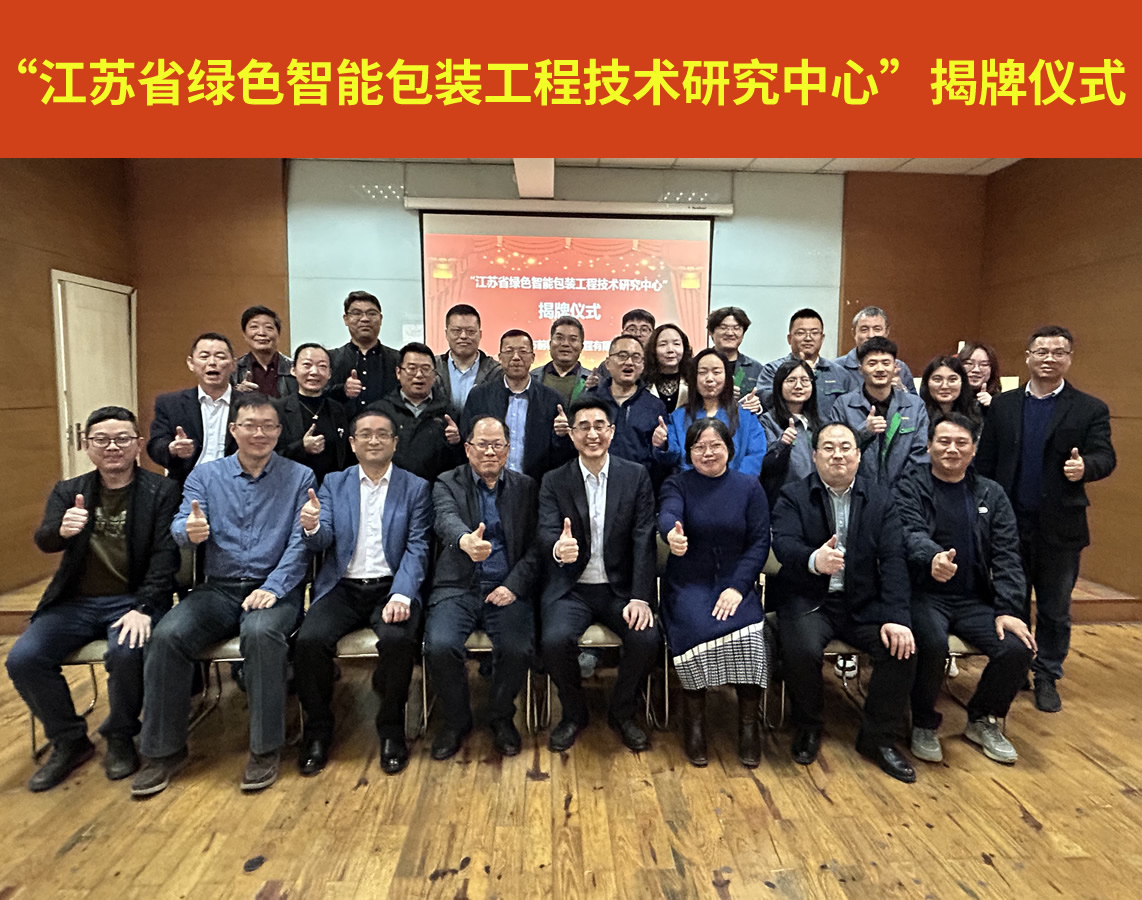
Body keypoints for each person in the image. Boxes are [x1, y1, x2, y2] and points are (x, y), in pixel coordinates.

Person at [132, 394, 314, 797]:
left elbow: (300, 543)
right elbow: (183, 522)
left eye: (268, 426)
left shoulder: (300, 476)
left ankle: (265, 749)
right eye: (249, 425)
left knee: (261, 634)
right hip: (218, 588)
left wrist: (273, 587)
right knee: (167, 636)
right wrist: (188, 531)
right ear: (234, 430)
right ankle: (163, 752)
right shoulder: (205, 476)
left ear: (279, 432)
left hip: (275, 588)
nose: (259, 433)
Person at [7, 407, 180, 792]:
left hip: (132, 599)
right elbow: (45, 540)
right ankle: (69, 740)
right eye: (102, 439)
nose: (112, 447)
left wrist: (144, 607)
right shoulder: (69, 491)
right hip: (75, 602)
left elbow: (165, 556)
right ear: (87, 446)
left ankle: (120, 734)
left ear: (138, 445)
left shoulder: (161, 491)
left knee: (126, 652)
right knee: (24, 658)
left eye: (122, 439)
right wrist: (61, 531)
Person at [976, 325, 1116, 713]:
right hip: (1009, 524)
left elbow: (1106, 457)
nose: (1049, 358)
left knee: (1055, 609)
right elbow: (986, 463)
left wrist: (1085, 467)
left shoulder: (1089, 408)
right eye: (1041, 351)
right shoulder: (1003, 406)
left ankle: (1047, 674)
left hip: (1060, 526)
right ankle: (1016, 666)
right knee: (1011, 600)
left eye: (1058, 352)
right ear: (1028, 357)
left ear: (1069, 358)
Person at [770, 422, 918, 783]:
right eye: (828, 448)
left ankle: (877, 738)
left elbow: (894, 559)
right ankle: (808, 725)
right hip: (810, 598)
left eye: (846, 447)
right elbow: (783, 544)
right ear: (815, 455)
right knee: (801, 649)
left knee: (901, 648)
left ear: (858, 455)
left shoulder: (881, 498)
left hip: (862, 602)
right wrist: (813, 560)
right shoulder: (793, 495)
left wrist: (897, 616)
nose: (838, 455)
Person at [294, 409, 433, 776]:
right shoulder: (333, 483)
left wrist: (402, 594)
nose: (374, 440)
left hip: (391, 586)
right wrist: (312, 527)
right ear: (353, 443)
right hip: (342, 586)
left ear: (395, 443)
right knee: (309, 641)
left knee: (399, 640)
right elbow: (322, 539)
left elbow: (418, 547)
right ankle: (318, 730)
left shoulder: (415, 487)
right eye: (366, 434)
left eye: (383, 434)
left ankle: (391, 729)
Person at [897, 414, 1036, 765]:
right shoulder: (909, 485)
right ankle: (923, 721)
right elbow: (909, 532)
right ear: (928, 446)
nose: (952, 449)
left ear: (974, 450)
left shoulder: (992, 493)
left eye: (961, 443)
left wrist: (1008, 609)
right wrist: (932, 557)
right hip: (924, 594)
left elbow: (1007, 555)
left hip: (975, 598)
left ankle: (983, 718)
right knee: (931, 642)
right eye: (943, 441)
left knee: (1017, 647)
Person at [538, 396, 660, 753]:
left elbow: (643, 539)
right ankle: (574, 713)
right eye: (583, 427)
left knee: (646, 638)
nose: (592, 434)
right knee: (554, 641)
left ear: (612, 431)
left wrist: (641, 597)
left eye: (599, 426)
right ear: (572, 434)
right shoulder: (554, 480)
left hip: (620, 588)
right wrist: (558, 548)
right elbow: (546, 531)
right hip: (572, 588)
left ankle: (622, 711)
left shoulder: (635, 476)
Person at [424, 416, 540, 760]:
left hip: (505, 585)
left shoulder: (526, 487)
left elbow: (537, 546)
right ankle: (456, 720)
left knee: (517, 648)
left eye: (497, 445)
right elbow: (444, 518)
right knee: (440, 646)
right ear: (467, 448)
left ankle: (501, 716)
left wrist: (514, 585)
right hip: (457, 586)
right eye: (482, 445)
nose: (490, 452)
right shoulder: (447, 482)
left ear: (508, 449)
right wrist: (464, 540)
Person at [658, 418, 770, 769]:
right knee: (694, 628)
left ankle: (748, 725)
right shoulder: (678, 483)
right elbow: (669, 513)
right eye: (699, 447)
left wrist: (737, 587)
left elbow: (759, 542)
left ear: (729, 449)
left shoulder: (749, 487)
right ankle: (694, 721)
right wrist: (671, 534)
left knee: (750, 633)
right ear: (689, 452)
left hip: (736, 582)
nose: (708, 453)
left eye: (715, 445)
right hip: (689, 582)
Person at [462, 329, 572, 482]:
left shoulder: (552, 399)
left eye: (523, 352)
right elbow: (467, 441)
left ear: (533, 358)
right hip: (488, 484)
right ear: (500, 358)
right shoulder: (480, 396)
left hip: (535, 485)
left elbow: (560, 455)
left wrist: (562, 436)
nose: (516, 357)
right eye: (509, 351)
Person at [652, 348, 767, 477]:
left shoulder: (745, 416)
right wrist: (662, 443)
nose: (709, 379)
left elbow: (756, 455)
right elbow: (671, 458)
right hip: (691, 485)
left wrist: (734, 483)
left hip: (736, 485)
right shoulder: (678, 417)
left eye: (716, 372)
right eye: (702, 372)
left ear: (727, 377)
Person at [830, 336, 929, 485]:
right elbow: (837, 450)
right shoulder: (843, 405)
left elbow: (920, 454)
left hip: (905, 492)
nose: (880, 369)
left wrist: (903, 490)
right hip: (858, 491)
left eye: (886, 363)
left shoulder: (915, 406)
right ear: (860, 369)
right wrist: (864, 432)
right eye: (872, 363)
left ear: (895, 367)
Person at [147, 332, 237, 489]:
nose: (212, 362)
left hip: (237, 486)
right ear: (191, 363)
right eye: (204, 356)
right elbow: (155, 445)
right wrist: (172, 448)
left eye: (220, 357)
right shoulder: (170, 403)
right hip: (187, 486)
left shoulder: (252, 404)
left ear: (233, 364)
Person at [367, 341, 463, 483]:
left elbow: (460, 465)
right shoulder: (379, 412)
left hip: (435, 490)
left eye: (426, 369)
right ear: (398, 372)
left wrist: (456, 443)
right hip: (388, 488)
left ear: (435, 375)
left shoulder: (450, 414)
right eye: (412, 368)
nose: (419, 375)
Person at [586, 334, 666, 477]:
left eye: (636, 357)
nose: (629, 362)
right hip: (594, 481)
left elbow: (661, 461)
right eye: (622, 356)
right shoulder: (589, 400)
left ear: (642, 365)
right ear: (608, 363)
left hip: (638, 483)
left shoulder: (655, 406)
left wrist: (662, 445)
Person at [277, 342, 349, 485]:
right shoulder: (278, 409)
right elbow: (269, 455)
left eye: (322, 366)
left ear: (329, 374)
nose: (314, 372)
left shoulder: (338, 409)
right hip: (291, 486)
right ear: (293, 370)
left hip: (332, 489)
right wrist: (301, 448)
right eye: (307, 365)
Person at [758, 308, 849, 416]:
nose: (808, 338)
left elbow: (848, 410)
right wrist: (799, 370)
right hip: (786, 426)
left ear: (822, 338)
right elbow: (766, 402)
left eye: (814, 333)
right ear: (789, 338)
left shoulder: (839, 373)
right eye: (801, 333)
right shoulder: (772, 370)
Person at [760, 358, 822, 508]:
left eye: (805, 380)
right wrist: (782, 444)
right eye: (791, 380)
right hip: (782, 500)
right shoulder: (767, 421)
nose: (798, 386)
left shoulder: (819, 422)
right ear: (779, 385)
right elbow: (765, 465)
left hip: (817, 498)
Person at [329, 290, 401, 413]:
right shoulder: (330, 359)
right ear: (346, 319)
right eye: (357, 313)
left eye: (371, 313)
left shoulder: (398, 360)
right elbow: (318, 393)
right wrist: (342, 390)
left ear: (381, 319)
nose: (365, 319)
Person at [434, 303, 501, 417]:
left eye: (470, 331)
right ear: (446, 334)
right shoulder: (432, 368)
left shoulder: (497, 372)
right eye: (456, 331)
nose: (463, 336)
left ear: (480, 334)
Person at [834, 306, 917, 394]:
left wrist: (901, 390)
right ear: (854, 333)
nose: (871, 335)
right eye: (864, 330)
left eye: (877, 329)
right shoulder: (837, 368)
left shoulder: (900, 368)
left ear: (887, 332)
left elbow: (916, 401)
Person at [707, 306, 763, 413]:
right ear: (711, 332)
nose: (730, 333)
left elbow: (766, 403)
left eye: (736, 328)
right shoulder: (697, 365)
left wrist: (757, 407)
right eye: (723, 327)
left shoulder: (756, 368)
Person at [233, 305, 296, 398]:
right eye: (254, 327)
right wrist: (237, 394)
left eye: (268, 327)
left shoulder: (294, 369)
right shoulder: (234, 370)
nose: (261, 333)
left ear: (278, 334)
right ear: (244, 334)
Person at [586, 309, 657, 389]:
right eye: (632, 329)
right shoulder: (610, 365)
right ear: (623, 334)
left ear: (653, 335)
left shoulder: (659, 364)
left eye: (644, 330)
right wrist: (592, 388)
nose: (637, 334)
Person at [531, 315, 592, 405]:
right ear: (550, 344)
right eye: (559, 338)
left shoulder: (593, 381)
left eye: (573, 339)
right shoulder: (532, 378)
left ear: (581, 347)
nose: (565, 344)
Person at [643, 323, 692, 414]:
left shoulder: (693, 380)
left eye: (676, 344)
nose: (670, 350)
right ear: (653, 349)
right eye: (663, 344)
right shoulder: (643, 382)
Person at [919, 355, 978, 423]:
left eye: (952, 380)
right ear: (927, 383)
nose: (944, 386)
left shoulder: (977, 411)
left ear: (962, 382)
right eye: (937, 379)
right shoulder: (916, 414)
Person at [957, 341, 1003, 417]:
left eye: (984, 364)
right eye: (969, 363)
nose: (976, 370)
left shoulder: (1002, 402)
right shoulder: (949, 399)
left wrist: (994, 407)